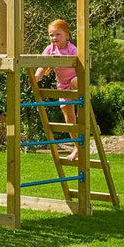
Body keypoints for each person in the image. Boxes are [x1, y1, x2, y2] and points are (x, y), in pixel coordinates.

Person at [34, 19, 80, 160]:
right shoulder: (50, 49)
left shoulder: (72, 49)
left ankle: (82, 102)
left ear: (67, 34)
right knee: (69, 118)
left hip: (76, 80)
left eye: (57, 34)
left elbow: (81, 65)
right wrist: (36, 77)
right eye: (51, 35)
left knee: (75, 82)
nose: (54, 38)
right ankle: (77, 147)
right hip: (62, 85)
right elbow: (42, 65)